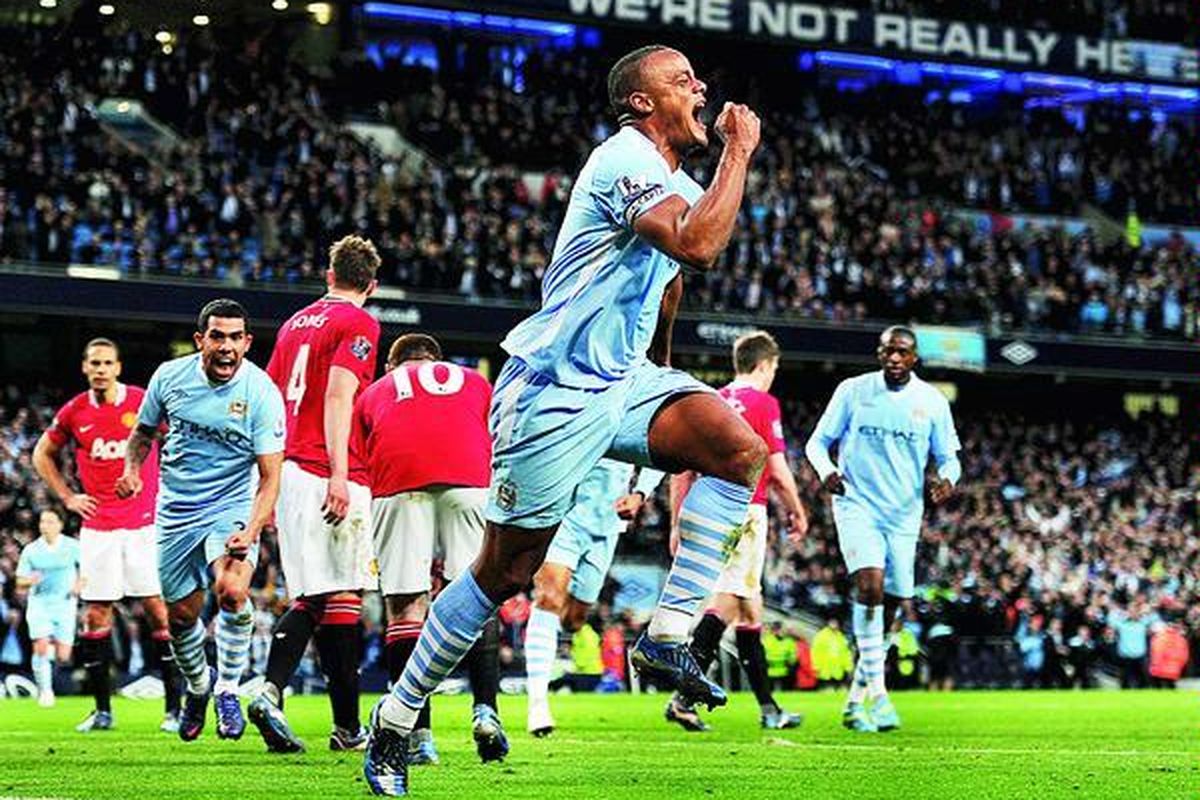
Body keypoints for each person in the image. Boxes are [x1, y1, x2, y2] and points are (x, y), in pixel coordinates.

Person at [364, 44, 765, 796]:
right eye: (682, 81)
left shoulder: (668, 178)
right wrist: (740, 151)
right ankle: (395, 720)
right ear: (641, 103)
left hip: (622, 382)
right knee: (505, 573)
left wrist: (666, 390)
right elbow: (699, 245)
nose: (701, 87)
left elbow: (669, 292)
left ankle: (670, 636)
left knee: (739, 450)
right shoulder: (624, 159)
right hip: (552, 391)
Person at [117, 298, 285, 742]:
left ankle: (228, 689)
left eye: (235, 337)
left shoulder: (262, 392)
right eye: (217, 336)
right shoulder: (169, 378)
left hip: (231, 505)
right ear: (200, 340)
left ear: (247, 342)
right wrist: (132, 469)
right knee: (180, 617)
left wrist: (251, 529)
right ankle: (198, 687)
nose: (226, 346)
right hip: (176, 510)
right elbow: (143, 434)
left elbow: (270, 478)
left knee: (231, 591)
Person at [249, 235, 381, 754]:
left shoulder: (291, 325)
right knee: (344, 593)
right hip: (328, 467)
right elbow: (339, 394)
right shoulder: (361, 323)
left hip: (288, 470)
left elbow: (270, 399)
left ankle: (321, 716)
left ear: (329, 276)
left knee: (318, 595)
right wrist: (339, 473)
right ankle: (313, 711)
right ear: (370, 285)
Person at [353, 333, 508, 767]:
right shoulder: (477, 382)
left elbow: (365, 450)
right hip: (470, 482)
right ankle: (486, 711)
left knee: (406, 610)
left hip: (399, 483)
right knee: (478, 600)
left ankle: (418, 736)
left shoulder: (376, 391)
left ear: (392, 365)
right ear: (437, 361)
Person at [805, 326, 961, 733]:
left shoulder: (931, 401)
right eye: (888, 351)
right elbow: (816, 443)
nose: (894, 358)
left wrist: (947, 479)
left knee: (892, 606)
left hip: (904, 515)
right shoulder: (853, 391)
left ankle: (855, 702)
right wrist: (827, 472)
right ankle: (879, 694)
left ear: (914, 359)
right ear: (879, 354)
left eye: (902, 352)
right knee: (869, 586)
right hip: (857, 504)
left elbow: (950, 458)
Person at [32, 337, 179, 733]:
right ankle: (102, 711)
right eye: (94, 363)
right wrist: (67, 497)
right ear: (85, 367)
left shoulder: (141, 401)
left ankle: (174, 709)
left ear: (117, 366)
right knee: (97, 614)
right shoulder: (74, 411)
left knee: (158, 611)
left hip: (145, 523)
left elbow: (176, 436)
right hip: (98, 527)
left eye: (107, 363)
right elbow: (40, 453)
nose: (100, 369)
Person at [665, 331, 808, 732]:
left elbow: (682, 470)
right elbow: (777, 471)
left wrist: (677, 522)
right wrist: (797, 510)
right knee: (730, 601)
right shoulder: (764, 403)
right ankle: (682, 696)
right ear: (764, 365)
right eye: (774, 368)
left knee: (750, 608)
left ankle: (768, 709)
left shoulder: (708, 401)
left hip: (703, 509)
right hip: (744, 511)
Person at [524, 459, 663, 736]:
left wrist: (640, 493)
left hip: (606, 525)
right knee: (548, 598)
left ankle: (553, 625)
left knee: (574, 621)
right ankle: (537, 705)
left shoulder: (626, 415)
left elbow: (655, 449)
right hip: (563, 517)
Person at [15, 508, 81, 707]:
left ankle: (49, 655)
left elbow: (86, 571)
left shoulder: (72, 546)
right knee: (41, 645)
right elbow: (19, 582)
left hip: (65, 604)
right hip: (40, 603)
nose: (46, 526)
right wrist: (30, 581)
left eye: (51, 522)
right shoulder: (32, 550)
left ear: (60, 524)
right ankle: (45, 691)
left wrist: (78, 586)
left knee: (63, 655)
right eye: (43, 521)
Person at [811, 617, 853, 688]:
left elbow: (846, 653)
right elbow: (815, 652)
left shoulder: (841, 637)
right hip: (825, 671)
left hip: (838, 672)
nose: (834, 624)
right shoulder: (821, 636)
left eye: (836, 622)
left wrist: (848, 667)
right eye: (832, 622)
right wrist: (816, 667)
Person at [1148, 621, 1189, 689]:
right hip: (1175, 670)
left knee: (1157, 689)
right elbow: (1185, 656)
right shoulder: (1182, 639)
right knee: (1171, 687)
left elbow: (1157, 653)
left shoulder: (1159, 638)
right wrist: (1179, 667)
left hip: (1159, 670)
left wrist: (1154, 666)